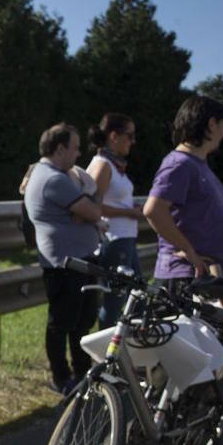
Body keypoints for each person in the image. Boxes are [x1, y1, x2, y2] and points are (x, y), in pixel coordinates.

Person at [24, 122, 103, 395]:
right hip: (64, 265)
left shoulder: (51, 175)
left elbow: (87, 211)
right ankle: (62, 377)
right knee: (64, 322)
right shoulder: (54, 179)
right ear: (60, 149)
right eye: (75, 148)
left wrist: (85, 211)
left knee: (80, 321)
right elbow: (93, 211)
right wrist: (88, 211)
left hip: (74, 261)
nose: (78, 154)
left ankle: (80, 373)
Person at [143, 95, 223, 287]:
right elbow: (154, 210)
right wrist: (190, 253)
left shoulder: (198, 165)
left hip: (208, 276)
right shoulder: (179, 164)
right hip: (187, 278)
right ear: (211, 124)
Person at [85, 113, 145, 328]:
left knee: (137, 297)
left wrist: (129, 211)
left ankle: (127, 352)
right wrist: (129, 213)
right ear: (114, 136)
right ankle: (103, 355)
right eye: (130, 136)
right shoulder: (103, 165)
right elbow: (94, 207)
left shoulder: (112, 164)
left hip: (124, 238)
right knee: (116, 301)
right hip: (115, 239)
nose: (133, 141)